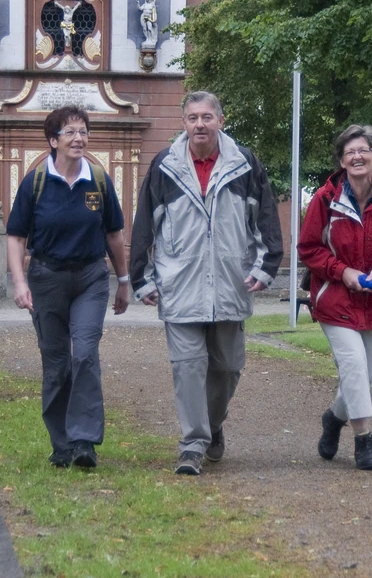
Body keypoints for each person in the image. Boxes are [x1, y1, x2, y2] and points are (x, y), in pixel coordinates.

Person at [130, 91, 283, 475]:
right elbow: (144, 224)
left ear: (221, 120)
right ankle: (193, 444)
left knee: (228, 366)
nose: (200, 124)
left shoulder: (244, 164)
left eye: (207, 117)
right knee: (188, 366)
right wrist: (141, 278)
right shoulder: (165, 165)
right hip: (179, 283)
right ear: (183, 123)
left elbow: (264, 217)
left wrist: (266, 266)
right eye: (193, 118)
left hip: (230, 282)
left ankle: (213, 425)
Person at [6, 106, 130, 469]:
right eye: (70, 132)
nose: (79, 138)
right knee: (57, 361)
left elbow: (114, 235)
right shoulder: (36, 182)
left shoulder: (100, 180)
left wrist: (123, 281)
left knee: (86, 354)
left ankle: (84, 441)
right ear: (53, 140)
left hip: (91, 277)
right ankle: (61, 443)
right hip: (46, 278)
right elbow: (15, 237)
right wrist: (19, 282)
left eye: (83, 131)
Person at [297, 125, 372, 470]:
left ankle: (334, 418)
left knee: (368, 371)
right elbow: (309, 248)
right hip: (334, 298)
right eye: (350, 152)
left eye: (363, 150)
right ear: (341, 160)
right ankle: (364, 441)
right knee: (352, 364)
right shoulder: (325, 199)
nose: (357, 156)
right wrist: (343, 272)